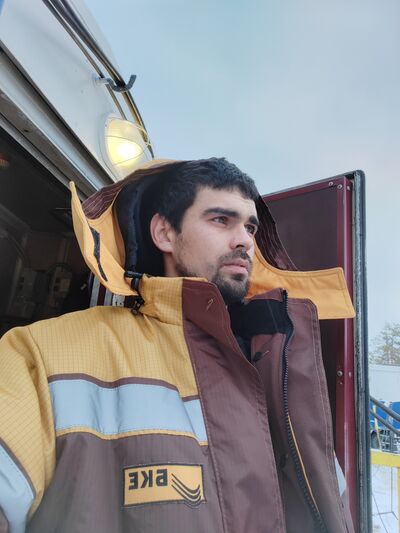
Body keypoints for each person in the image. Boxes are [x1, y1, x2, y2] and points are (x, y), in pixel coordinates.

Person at [0, 158, 355, 533]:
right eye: (221, 220)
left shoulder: (275, 364)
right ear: (164, 233)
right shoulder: (44, 351)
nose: (245, 241)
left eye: (250, 227)